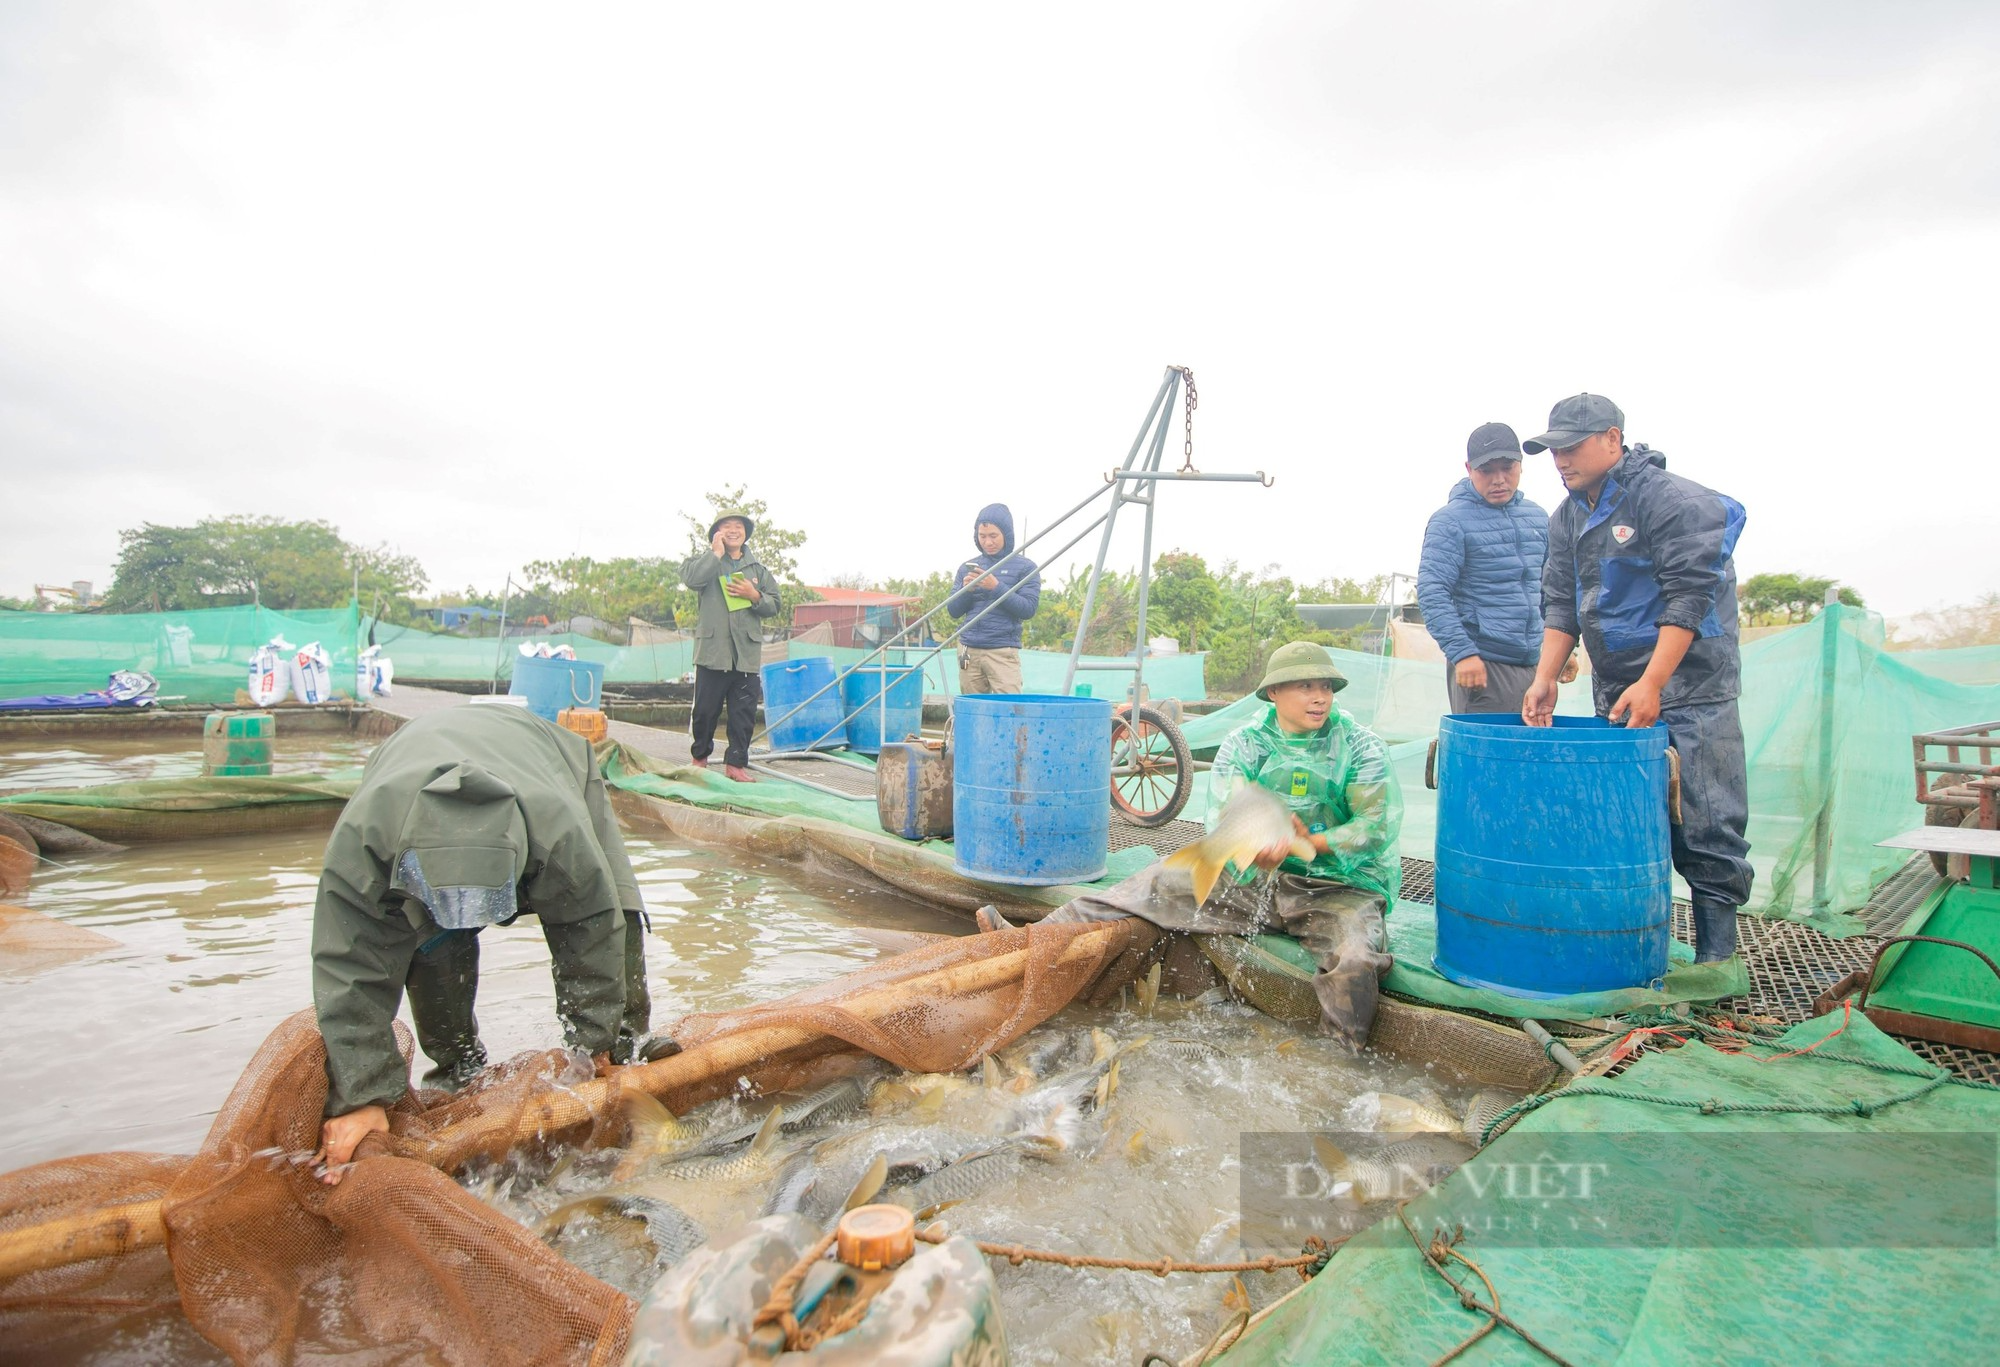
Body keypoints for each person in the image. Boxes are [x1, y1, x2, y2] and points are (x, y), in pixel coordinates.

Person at [981, 642, 1401, 1047]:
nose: (1319, 697)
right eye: (1306, 686)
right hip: (1258, 879)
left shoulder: (1360, 746)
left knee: (1357, 960)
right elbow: (1226, 814)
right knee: (1142, 887)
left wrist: (1313, 841)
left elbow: (1374, 826)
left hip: (1340, 891)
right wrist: (1253, 848)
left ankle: (1337, 1060)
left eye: (1326, 687)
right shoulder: (1246, 744)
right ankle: (1027, 943)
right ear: (1274, 692)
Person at [312, 704, 650, 1182]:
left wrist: (591, 1042)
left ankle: (625, 1044)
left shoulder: (560, 832)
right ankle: (458, 1068)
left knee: (618, 906)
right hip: (411, 771)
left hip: (546, 758)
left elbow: (592, 929)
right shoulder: (365, 840)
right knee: (432, 944)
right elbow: (348, 966)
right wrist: (361, 1095)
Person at [1520, 393, 1751, 964]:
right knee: (1627, 819)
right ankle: (1632, 943)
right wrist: (1545, 677)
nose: (1562, 460)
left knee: (1705, 819)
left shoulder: (1666, 499)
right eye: (1554, 450)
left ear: (1613, 439)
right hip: (1619, 689)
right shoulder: (1567, 516)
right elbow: (1559, 603)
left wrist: (1653, 684)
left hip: (1691, 687)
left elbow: (1688, 595)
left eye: (1572, 446)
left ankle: (1717, 960)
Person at [1416, 422, 1553, 715]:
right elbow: (1432, 592)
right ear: (1468, 468)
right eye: (1486, 470)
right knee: (1491, 758)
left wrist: (1560, 652)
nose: (1499, 479)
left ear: (1521, 465)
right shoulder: (1450, 521)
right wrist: (1463, 654)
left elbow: (1552, 591)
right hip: (1482, 665)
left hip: (1534, 665)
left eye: (1507, 467)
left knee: (1531, 757)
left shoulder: (1539, 518)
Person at [682, 512, 782, 781]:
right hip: (713, 653)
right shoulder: (703, 562)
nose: (733, 531)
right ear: (717, 532)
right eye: (727, 527)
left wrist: (755, 595)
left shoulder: (758, 570)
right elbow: (691, 580)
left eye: (739, 527)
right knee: (704, 711)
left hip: (745, 655)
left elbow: (775, 604)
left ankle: (735, 765)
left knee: (743, 714)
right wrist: (714, 554)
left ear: (746, 533)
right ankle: (699, 759)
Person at [945, 503, 1039, 695]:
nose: (988, 542)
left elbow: (1028, 609)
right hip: (966, 649)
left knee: (1008, 708)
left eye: (993, 536)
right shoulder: (967, 568)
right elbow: (953, 611)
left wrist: (996, 587)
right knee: (971, 706)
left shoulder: (1026, 567)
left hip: (1002, 651)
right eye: (982, 536)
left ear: (1006, 534)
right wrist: (967, 590)